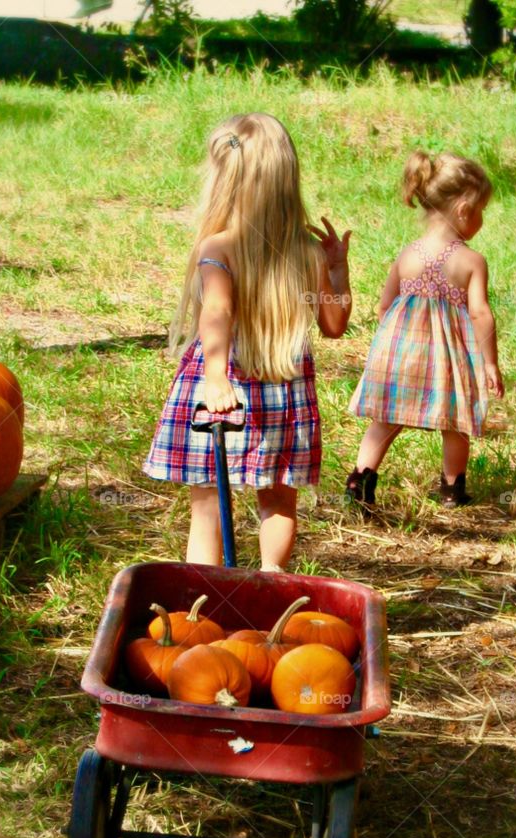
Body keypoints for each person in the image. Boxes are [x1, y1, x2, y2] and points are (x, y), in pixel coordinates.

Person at [145, 112, 352, 569]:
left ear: (224, 181)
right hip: (284, 387)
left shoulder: (217, 248)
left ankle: (205, 588)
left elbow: (217, 311)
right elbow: (335, 323)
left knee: (208, 501)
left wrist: (216, 377)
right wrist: (337, 271)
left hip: (227, 388)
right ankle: (271, 578)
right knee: (278, 499)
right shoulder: (305, 249)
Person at [345, 149, 503, 513]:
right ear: (464, 208)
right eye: (480, 211)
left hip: (402, 354)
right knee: (455, 423)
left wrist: (392, 343)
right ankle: (452, 489)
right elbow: (480, 314)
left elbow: (385, 305)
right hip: (447, 360)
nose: (480, 219)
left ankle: (360, 480)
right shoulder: (471, 261)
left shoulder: (407, 255)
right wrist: (489, 363)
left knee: (385, 419)